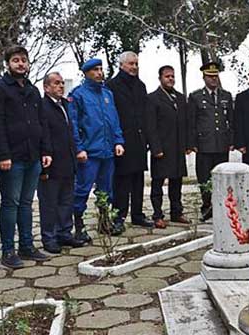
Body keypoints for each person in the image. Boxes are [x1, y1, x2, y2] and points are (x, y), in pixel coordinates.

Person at [0, 45, 51, 269]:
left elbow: (41, 122)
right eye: (16, 60)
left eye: (24, 60)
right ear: (7, 64)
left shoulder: (33, 91)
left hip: (33, 156)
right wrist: (2, 155)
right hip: (11, 159)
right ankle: (8, 250)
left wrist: (45, 151)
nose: (21, 64)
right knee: (10, 203)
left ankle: (27, 245)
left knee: (26, 203)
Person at [70, 58, 126, 235]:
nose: (99, 72)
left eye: (101, 69)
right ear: (86, 73)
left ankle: (104, 220)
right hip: (89, 152)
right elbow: (73, 124)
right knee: (82, 189)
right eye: (95, 70)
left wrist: (118, 141)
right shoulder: (78, 95)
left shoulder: (107, 94)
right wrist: (79, 148)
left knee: (106, 189)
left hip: (107, 151)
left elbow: (114, 120)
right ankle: (79, 225)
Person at [38, 72, 86, 253]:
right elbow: (43, 134)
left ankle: (65, 233)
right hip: (51, 162)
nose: (60, 86)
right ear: (46, 87)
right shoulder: (42, 106)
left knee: (66, 200)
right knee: (49, 203)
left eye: (61, 83)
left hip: (68, 161)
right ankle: (49, 237)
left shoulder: (65, 105)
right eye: (56, 83)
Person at [107, 51, 153, 231]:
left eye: (136, 64)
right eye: (131, 64)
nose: (134, 67)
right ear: (121, 65)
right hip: (122, 140)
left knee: (138, 180)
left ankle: (138, 214)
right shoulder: (112, 86)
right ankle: (119, 216)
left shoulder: (140, 86)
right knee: (122, 180)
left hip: (139, 139)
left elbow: (145, 113)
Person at [145, 65, 192, 227]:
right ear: (160, 78)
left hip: (177, 147)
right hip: (161, 149)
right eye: (167, 76)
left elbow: (185, 123)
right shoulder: (152, 98)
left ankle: (176, 212)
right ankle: (157, 215)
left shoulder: (180, 98)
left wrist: (187, 145)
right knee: (158, 183)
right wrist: (156, 148)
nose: (170, 79)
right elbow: (150, 126)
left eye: (172, 76)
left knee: (176, 182)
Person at [187, 61, 234, 221]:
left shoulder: (226, 96)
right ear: (204, 77)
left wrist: (231, 140)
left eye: (215, 76)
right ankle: (207, 206)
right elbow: (191, 121)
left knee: (221, 176)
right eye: (210, 76)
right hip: (204, 145)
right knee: (205, 178)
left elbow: (231, 120)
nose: (213, 79)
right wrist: (192, 143)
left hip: (221, 144)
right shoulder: (196, 97)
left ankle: (221, 204)